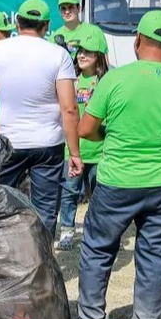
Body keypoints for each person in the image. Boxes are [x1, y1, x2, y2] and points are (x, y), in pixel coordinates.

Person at [77, 11, 161, 319]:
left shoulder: (115, 80)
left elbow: (85, 129)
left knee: (98, 250)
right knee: (156, 256)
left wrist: (111, 133)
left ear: (138, 40)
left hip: (117, 180)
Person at [0, 0, 81, 235]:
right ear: (46, 26)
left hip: (10, 142)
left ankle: (1, 253)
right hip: (48, 144)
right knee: (45, 211)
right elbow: (69, 108)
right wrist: (75, 153)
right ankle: (41, 255)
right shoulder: (59, 54)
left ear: (17, 23)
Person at [57, 26, 108, 251]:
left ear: (99, 56)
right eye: (80, 51)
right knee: (69, 192)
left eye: (88, 52)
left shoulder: (107, 82)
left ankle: (95, 230)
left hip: (100, 151)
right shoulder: (71, 81)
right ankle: (67, 230)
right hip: (73, 150)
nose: (82, 55)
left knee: (99, 194)